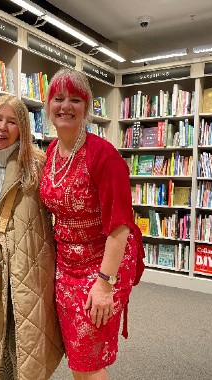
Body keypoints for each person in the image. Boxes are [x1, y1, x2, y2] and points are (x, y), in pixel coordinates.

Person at [39, 68, 144, 380]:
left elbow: (121, 226)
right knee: (78, 355)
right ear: (48, 105)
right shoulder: (51, 153)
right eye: (58, 98)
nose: (65, 106)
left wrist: (104, 284)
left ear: (87, 107)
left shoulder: (104, 156)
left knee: (89, 357)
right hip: (67, 265)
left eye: (75, 99)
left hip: (104, 265)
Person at [0, 95, 64, 379]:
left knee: (25, 345)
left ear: (22, 127)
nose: (2, 127)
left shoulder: (39, 165)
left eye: (12, 121)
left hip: (29, 269)